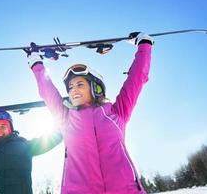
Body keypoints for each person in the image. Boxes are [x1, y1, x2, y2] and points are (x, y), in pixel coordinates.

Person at [27, 32, 153, 194]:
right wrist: (36, 63)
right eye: (70, 87)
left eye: (80, 84)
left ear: (95, 87)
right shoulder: (66, 118)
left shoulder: (117, 113)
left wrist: (144, 45)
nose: (73, 91)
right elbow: (47, 91)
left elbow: (136, 79)